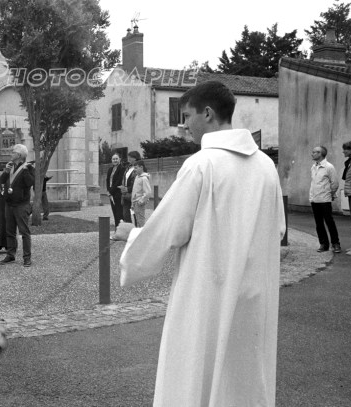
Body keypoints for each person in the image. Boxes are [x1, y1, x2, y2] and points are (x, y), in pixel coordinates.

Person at [119, 81, 286, 406]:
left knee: (196, 372)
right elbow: (277, 228)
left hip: (207, 294)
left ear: (207, 113)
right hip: (253, 297)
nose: (184, 126)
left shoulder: (201, 165)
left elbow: (168, 230)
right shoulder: (266, 165)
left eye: (187, 116)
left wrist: (132, 235)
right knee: (243, 376)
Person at [0, 144, 35, 267]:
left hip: (21, 204)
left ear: (19, 155)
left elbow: (30, 183)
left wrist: (25, 171)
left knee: (24, 232)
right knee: (10, 231)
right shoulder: (10, 166)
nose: (11, 154)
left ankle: (27, 257)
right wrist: (6, 172)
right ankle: (10, 254)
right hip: (9, 203)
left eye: (13, 152)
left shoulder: (28, 167)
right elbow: (1, 181)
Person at [309, 146, 341, 253]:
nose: (312, 154)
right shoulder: (313, 167)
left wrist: (329, 194)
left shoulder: (329, 167)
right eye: (313, 152)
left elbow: (335, 183)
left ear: (320, 154)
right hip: (314, 199)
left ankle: (336, 244)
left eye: (314, 152)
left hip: (325, 200)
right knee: (319, 224)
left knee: (329, 222)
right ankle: (323, 244)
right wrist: (312, 196)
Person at [119, 150, 141, 223]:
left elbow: (137, 182)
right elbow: (125, 178)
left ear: (135, 158)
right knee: (125, 215)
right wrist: (123, 187)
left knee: (136, 216)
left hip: (134, 195)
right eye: (128, 157)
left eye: (130, 157)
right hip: (126, 195)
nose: (128, 159)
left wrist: (128, 189)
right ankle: (129, 229)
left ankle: (138, 229)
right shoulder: (128, 167)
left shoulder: (139, 168)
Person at [106, 153, 125, 232]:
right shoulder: (110, 169)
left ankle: (121, 231)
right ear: (111, 160)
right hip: (111, 194)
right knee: (114, 213)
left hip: (117, 194)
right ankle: (117, 230)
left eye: (116, 159)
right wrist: (108, 191)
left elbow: (118, 181)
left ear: (119, 159)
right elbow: (107, 180)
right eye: (113, 159)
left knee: (119, 213)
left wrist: (111, 191)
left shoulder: (122, 168)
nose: (115, 160)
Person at [130, 160, 152, 227]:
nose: (134, 169)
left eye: (136, 168)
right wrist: (132, 202)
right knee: (137, 221)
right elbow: (135, 191)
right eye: (134, 168)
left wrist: (141, 201)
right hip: (135, 202)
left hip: (139, 203)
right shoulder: (137, 177)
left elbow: (148, 192)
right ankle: (139, 232)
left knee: (141, 221)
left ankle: (142, 232)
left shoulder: (144, 178)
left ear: (141, 167)